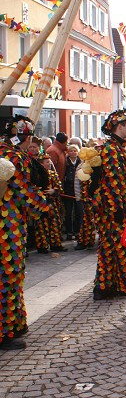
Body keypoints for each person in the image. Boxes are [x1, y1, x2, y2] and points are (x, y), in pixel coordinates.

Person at [0, 116, 48, 350]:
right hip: (8, 225)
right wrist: (43, 206)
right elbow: (23, 191)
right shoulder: (13, 157)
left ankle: (14, 323)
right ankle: (5, 330)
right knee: (9, 274)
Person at [90, 109, 126, 300]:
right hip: (114, 210)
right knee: (122, 247)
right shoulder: (111, 150)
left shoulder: (116, 148)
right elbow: (112, 181)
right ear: (119, 127)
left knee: (108, 248)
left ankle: (104, 287)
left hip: (115, 208)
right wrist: (117, 208)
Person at [35, 153, 66, 254]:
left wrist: (54, 191)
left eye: (49, 162)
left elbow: (60, 188)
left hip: (52, 203)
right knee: (41, 225)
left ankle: (56, 244)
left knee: (55, 223)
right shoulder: (36, 175)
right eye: (47, 162)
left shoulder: (53, 174)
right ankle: (42, 246)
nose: (49, 164)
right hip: (40, 203)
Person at [64, 144, 83, 240]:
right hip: (68, 189)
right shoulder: (65, 162)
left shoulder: (80, 162)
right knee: (68, 212)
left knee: (78, 211)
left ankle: (77, 231)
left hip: (78, 189)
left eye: (75, 150)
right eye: (71, 150)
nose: (73, 152)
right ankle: (69, 231)